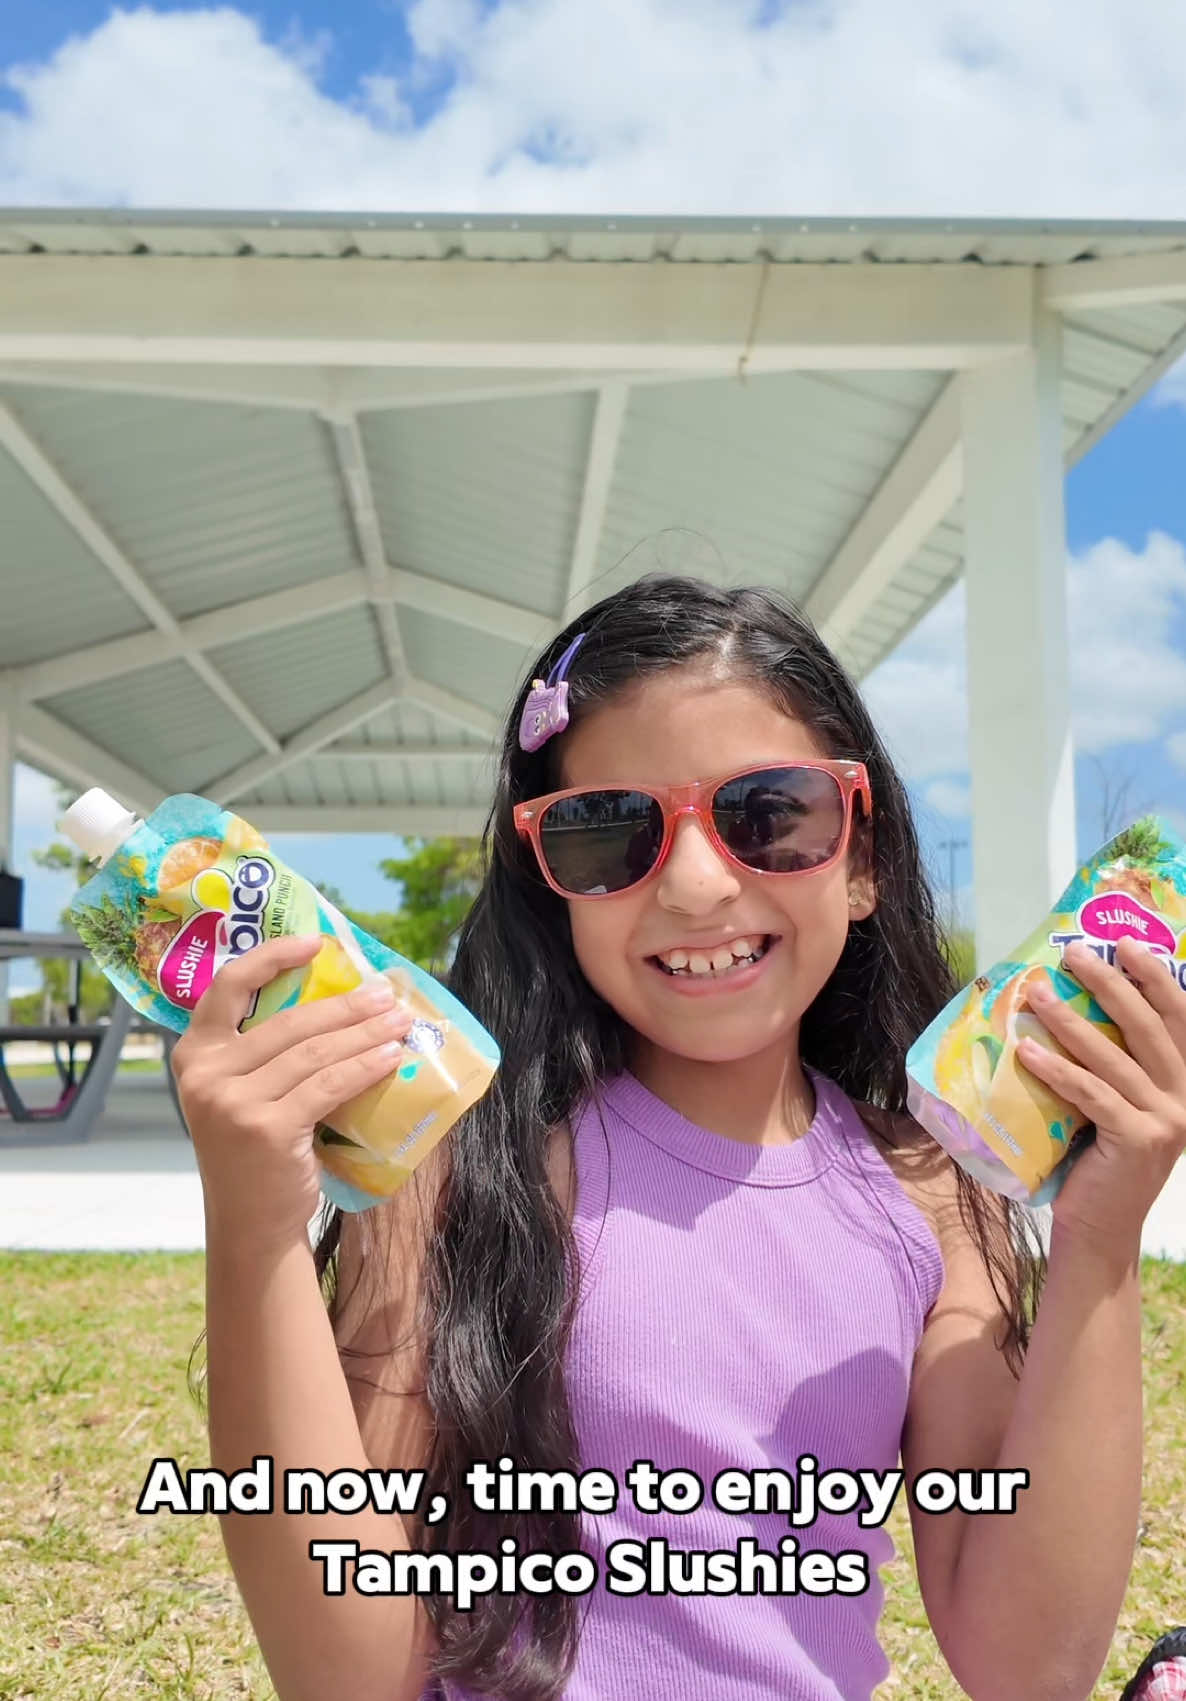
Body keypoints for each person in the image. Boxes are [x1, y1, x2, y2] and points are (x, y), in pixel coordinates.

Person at [176, 574, 1186, 1701]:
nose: (700, 885)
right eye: (610, 833)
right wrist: (257, 1232)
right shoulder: (461, 1167)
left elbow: (1026, 1667)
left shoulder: (933, 1191)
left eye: (770, 814)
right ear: (551, 882)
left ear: (861, 861)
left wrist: (1098, 1247)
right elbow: (346, 1678)